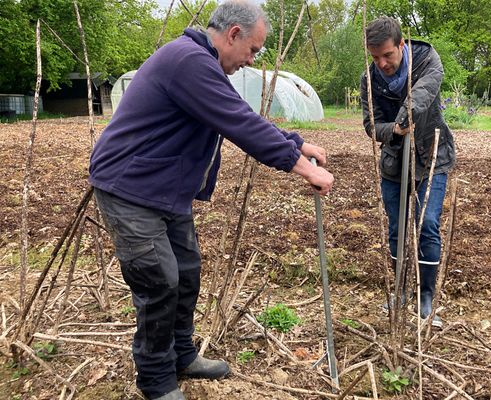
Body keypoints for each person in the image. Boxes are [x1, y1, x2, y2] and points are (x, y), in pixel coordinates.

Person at [89, 2, 334, 399]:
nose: (251, 60)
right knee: (160, 281)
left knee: (186, 273)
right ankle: (155, 379)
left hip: (164, 189)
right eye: (253, 50)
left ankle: (182, 355)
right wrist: (302, 166)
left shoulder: (199, 62)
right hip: (130, 188)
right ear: (233, 34)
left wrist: (298, 142)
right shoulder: (188, 61)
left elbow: (233, 114)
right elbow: (238, 122)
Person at [360, 17, 455, 327]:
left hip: (431, 156)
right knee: (398, 227)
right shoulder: (369, 79)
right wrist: (396, 131)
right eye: (375, 57)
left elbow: (423, 95)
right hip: (394, 162)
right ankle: (401, 291)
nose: (382, 63)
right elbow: (371, 125)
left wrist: (404, 116)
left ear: (401, 44)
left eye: (387, 55)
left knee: (427, 223)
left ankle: (425, 296)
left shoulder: (427, 59)